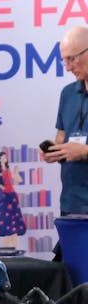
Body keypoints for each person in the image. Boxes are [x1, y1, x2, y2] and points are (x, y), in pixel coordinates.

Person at [41, 25, 88, 214]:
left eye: (72, 58)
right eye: (64, 60)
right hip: (72, 204)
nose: (68, 67)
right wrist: (53, 150)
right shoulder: (68, 93)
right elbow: (61, 137)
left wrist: (84, 151)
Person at [0, 151, 26, 248]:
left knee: (14, 228)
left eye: (6, 157)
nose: (5, 158)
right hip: (2, 198)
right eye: (3, 157)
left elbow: (18, 180)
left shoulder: (8, 169)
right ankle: (6, 250)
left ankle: (14, 250)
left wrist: (16, 173)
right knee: (5, 225)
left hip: (12, 197)